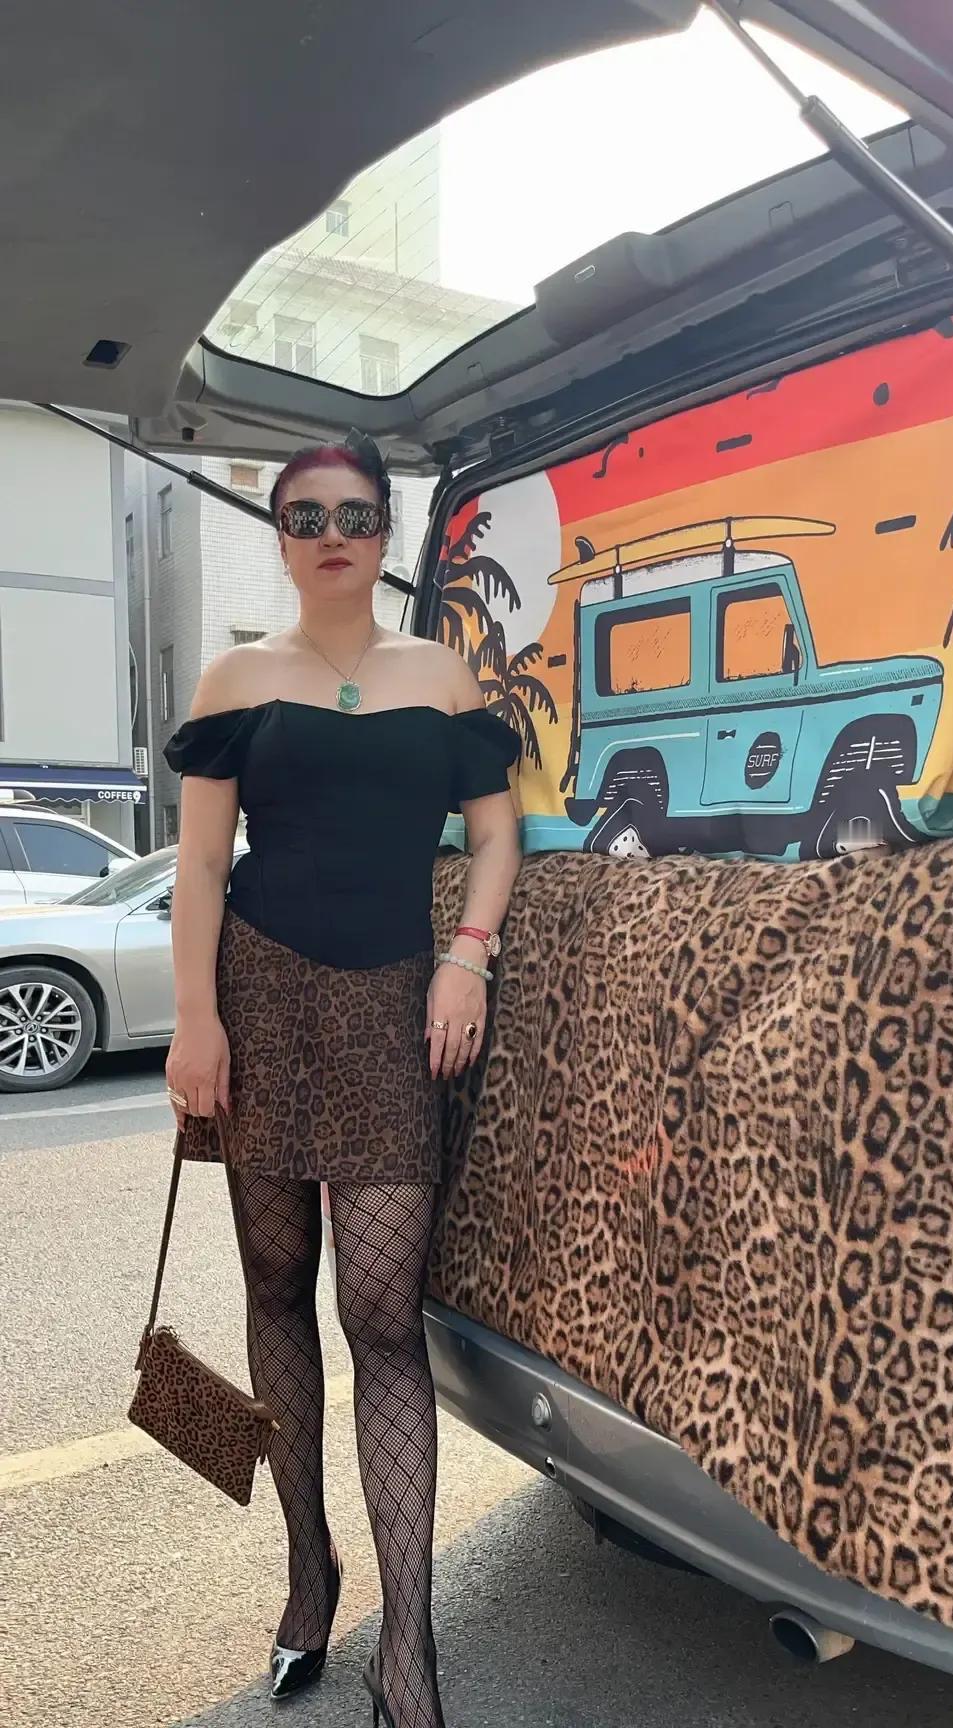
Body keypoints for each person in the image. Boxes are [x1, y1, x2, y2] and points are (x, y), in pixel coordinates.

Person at [162, 433, 522, 1728]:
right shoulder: (237, 677)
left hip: (389, 1004)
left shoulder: (440, 677)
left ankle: (407, 1648)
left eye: (355, 515)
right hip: (258, 1001)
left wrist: (467, 958)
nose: (331, 534)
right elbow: (202, 866)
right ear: (281, 535)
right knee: (275, 1290)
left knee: (380, 1315)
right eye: (306, 515)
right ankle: (308, 1571)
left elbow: (496, 836)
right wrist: (195, 1022)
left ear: (383, 535)